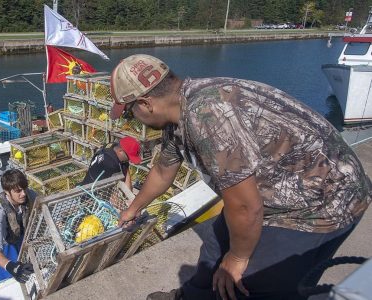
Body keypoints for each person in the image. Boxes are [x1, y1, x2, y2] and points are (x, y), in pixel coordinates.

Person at [109, 54, 372, 300]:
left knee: (253, 280)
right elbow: (163, 169)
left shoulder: (207, 116)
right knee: (213, 250)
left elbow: (246, 207)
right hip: (271, 190)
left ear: (146, 104)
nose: (134, 119)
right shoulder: (179, 111)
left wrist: (236, 258)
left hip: (323, 201)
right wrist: (134, 208)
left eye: (131, 111)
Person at [0, 169, 35, 284]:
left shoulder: (29, 195)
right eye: (18, 191)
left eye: (24, 188)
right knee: (9, 281)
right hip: (6, 246)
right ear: (7, 192)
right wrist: (10, 266)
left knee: (28, 273)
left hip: (23, 239)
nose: (23, 193)